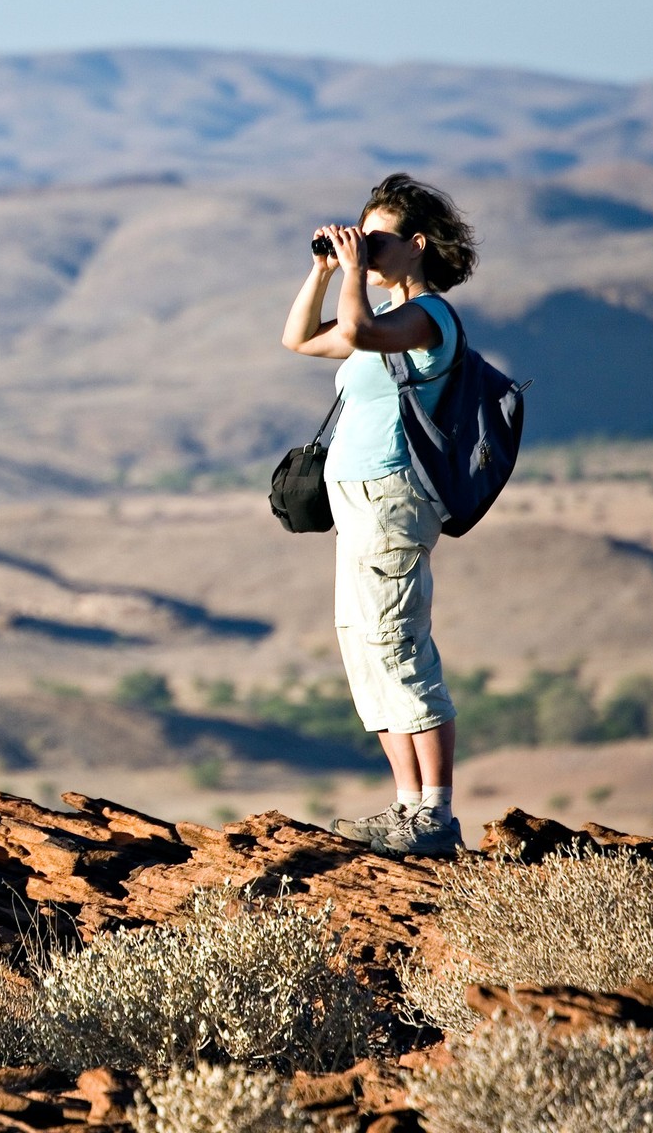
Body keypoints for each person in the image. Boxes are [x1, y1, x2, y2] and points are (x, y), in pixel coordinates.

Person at [278, 173, 478, 857]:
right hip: (357, 501)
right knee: (367, 651)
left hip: (393, 499)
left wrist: (354, 273)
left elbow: (359, 328)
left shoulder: (428, 319)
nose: (364, 249)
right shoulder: (387, 317)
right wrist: (323, 270)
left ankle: (436, 815)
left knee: (399, 646)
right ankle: (406, 807)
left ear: (417, 244)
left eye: (377, 239)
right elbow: (299, 339)